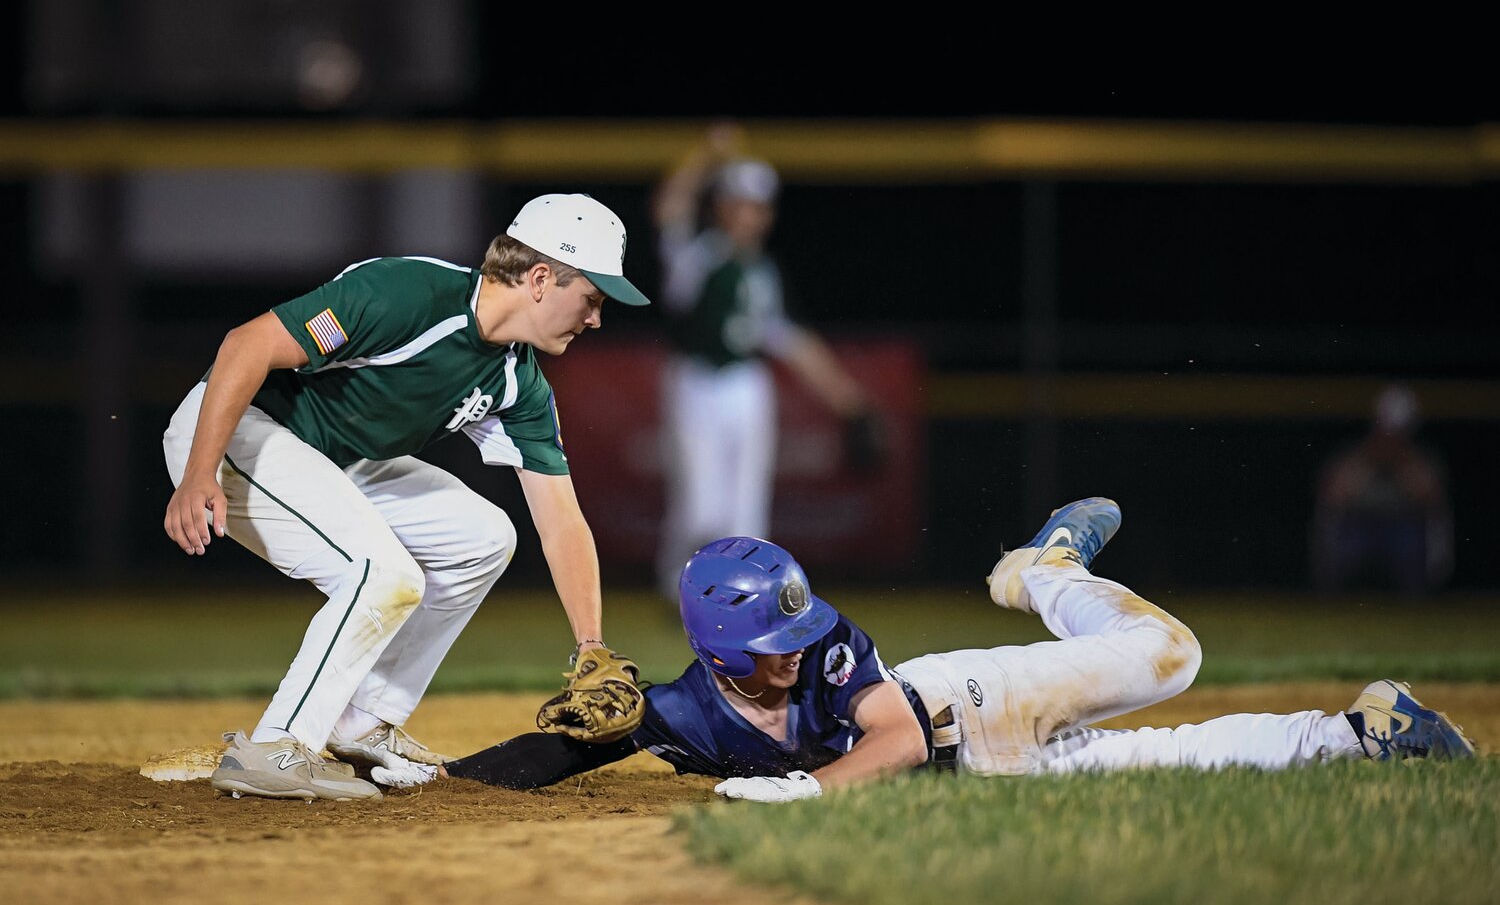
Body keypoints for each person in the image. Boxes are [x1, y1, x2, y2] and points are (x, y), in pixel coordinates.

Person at [444, 497, 1475, 800]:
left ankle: (1047, 569)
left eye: (798, 630)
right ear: (719, 652)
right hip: (984, 781)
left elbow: (890, 740)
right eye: (773, 642)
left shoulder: (835, 647)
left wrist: (810, 792)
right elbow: (564, 752)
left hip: (969, 704)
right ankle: (1365, 730)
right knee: (1169, 762)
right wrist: (442, 779)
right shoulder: (684, 712)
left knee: (1170, 655)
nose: (796, 651)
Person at [162, 193, 650, 801]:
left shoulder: (518, 381)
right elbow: (247, 345)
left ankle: (363, 721)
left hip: (337, 460)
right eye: (593, 298)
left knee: (486, 538)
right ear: (542, 278)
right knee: (383, 572)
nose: (596, 318)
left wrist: (591, 644)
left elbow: (562, 523)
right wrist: (199, 472)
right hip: (237, 433)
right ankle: (277, 745)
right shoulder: (407, 295)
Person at [652, 123, 884, 601]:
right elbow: (668, 209)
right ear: (721, 206)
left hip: (745, 383)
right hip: (696, 378)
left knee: (746, 507)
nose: (749, 215)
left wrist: (849, 401)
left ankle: (740, 596)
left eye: (757, 206)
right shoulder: (699, 257)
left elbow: (790, 341)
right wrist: (705, 156)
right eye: (739, 203)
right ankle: (685, 592)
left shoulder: (762, 272)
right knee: (700, 506)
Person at [1312, 384, 1453, 598]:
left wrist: (1402, 462)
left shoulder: (1420, 458)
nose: (1390, 438)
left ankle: (1416, 605)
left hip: (1400, 525)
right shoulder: (1355, 454)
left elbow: (1429, 497)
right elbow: (1333, 495)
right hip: (1359, 524)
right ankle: (1331, 603)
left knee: (1411, 545)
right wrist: (1368, 461)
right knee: (1341, 548)